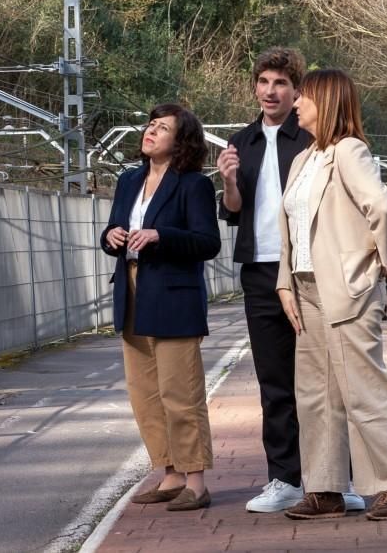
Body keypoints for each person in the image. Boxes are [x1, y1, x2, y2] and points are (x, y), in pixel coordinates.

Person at [217, 48, 364, 513]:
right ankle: (285, 479)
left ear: (297, 90)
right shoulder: (241, 143)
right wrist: (229, 184)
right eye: (263, 82)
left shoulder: (315, 139)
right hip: (261, 274)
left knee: (329, 380)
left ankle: (339, 479)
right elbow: (233, 213)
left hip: (312, 270)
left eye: (280, 83)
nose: (270, 91)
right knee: (275, 382)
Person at [276, 68, 387, 520]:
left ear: (328, 101)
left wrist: (381, 263)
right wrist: (284, 282)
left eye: (304, 97)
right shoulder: (302, 160)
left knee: (364, 391)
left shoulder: (349, 151)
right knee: (315, 395)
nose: (296, 103)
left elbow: (382, 207)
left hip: (348, 290)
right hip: (306, 288)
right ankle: (325, 490)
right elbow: (290, 230)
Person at [100, 103, 221, 512]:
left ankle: (196, 481)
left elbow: (208, 243)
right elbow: (112, 229)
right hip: (132, 290)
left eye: (162, 128)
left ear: (181, 141)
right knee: (145, 393)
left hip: (174, 294)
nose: (150, 131)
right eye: (149, 124)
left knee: (180, 393)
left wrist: (159, 235)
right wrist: (111, 235)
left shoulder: (193, 185)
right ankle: (168, 473)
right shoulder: (128, 180)